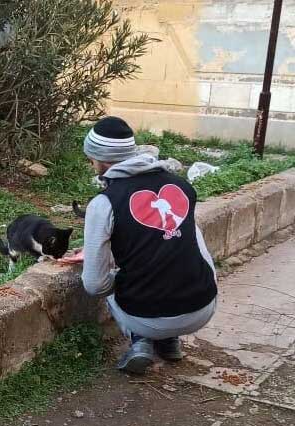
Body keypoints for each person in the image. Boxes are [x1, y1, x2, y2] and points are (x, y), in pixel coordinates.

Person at [80, 116, 218, 374]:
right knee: (187, 238)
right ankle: (169, 342)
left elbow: (94, 284)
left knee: (111, 278)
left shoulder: (104, 203)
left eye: (91, 159)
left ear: (98, 160)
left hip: (145, 317)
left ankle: (140, 339)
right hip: (202, 308)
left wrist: (120, 276)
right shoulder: (182, 187)